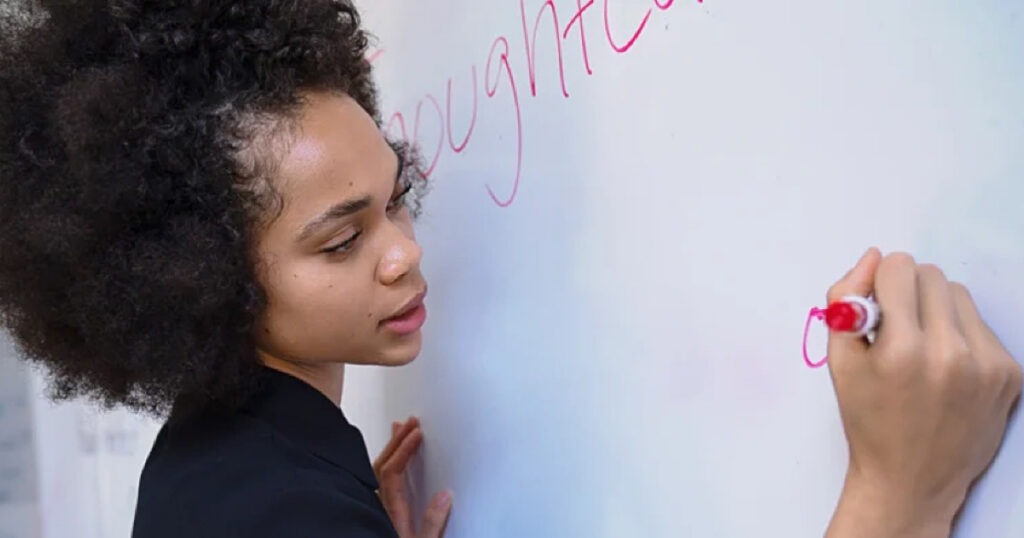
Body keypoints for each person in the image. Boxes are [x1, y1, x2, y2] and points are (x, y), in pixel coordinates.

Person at [0, 1, 1018, 537]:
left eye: (396, 195)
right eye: (341, 239)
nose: (405, 251)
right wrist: (897, 497)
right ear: (200, 277)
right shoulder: (273, 508)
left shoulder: (232, 461)